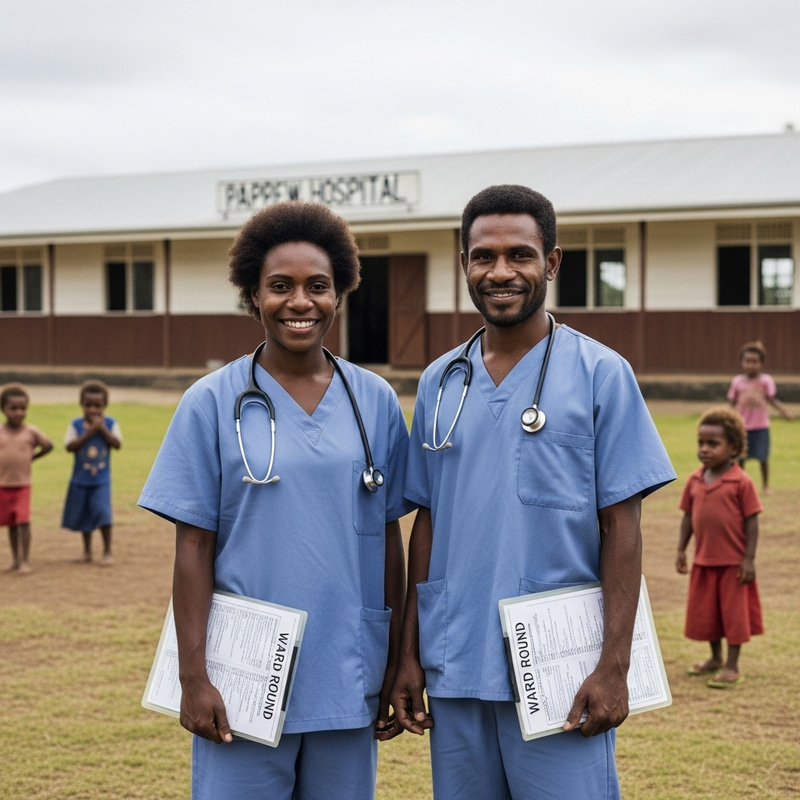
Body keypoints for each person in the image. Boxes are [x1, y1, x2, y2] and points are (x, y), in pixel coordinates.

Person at [391, 184, 676, 800]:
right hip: (458, 657)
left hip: (561, 670)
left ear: (551, 262)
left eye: (519, 255)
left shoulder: (602, 374)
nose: (500, 271)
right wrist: (408, 654)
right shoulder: (443, 379)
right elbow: (429, 522)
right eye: (482, 256)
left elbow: (622, 527)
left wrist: (614, 666)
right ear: (463, 263)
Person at [138, 201, 413, 800]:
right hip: (241, 676)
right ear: (251, 297)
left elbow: (390, 537)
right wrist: (194, 675)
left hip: (347, 667)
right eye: (280, 287)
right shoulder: (210, 403)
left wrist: (395, 660)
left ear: (340, 294)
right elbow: (194, 547)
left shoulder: (375, 401)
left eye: (319, 286)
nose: (300, 302)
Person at [676, 406, 763, 689]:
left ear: (734, 447)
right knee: (708, 613)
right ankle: (715, 657)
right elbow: (688, 517)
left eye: (713, 444)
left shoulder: (742, 482)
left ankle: (732, 665)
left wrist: (748, 559)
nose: (705, 449)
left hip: (733, 564)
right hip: (704, 561)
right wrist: (681, 549)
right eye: (701, 443)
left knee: (733, 616)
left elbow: (752, 521)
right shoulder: (694, 480)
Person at [61, 380, 122, 565]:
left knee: (103, 513)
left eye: (98, 405)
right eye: (88, 405)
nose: (93, 410)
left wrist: (101, 429)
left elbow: (117, 444)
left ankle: (107, 552)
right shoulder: (76, 425)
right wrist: (88, 433)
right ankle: (87, 551)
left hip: (101, 481)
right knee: (84, 515)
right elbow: (69, 446)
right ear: (82, 404)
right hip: (80, 480)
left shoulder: (110, 423)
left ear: (104, 405)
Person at [727, 340, 794, 494]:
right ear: (742, 362)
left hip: (761, 427)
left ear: (761, 363)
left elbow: (772, 400)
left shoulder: (765, 381)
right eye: (748, 361)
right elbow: (732, 403)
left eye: (755, 361)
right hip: (741, 428)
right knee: (740, 459)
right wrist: (725, 421)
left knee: (763, 458)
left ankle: (765, 486)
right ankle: (739, 485)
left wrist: (785, 413)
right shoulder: (737, 382)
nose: (751, 365)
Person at [0, 383, 53, 574]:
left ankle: (25, 561)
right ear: (3, 409)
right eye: (13, 408)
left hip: (23, 486)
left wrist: (33, 457)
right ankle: (15, 559)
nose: (19, 412)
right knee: (11, 524)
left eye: (23, 408)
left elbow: (48, 445)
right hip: (3, 486)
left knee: (23, 521)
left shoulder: (31, 432)